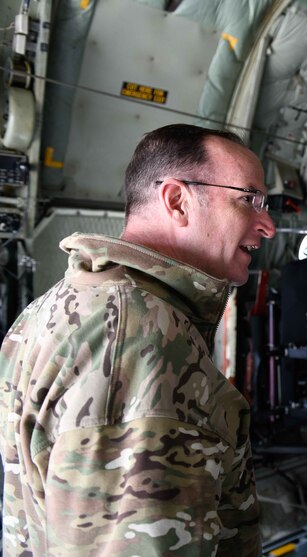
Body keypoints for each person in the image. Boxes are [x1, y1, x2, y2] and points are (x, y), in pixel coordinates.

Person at [0, 124, 276, 556]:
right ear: (177, 200)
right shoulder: (143, 341)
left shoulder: (55, 307)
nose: (268, 225)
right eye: (249, 199)